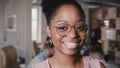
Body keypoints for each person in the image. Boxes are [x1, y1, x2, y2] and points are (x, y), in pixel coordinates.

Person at [32, 0, 105, 68]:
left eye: (79, 27)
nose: (73, 35)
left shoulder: (97, 66)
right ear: (49, 31)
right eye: (62, 28)